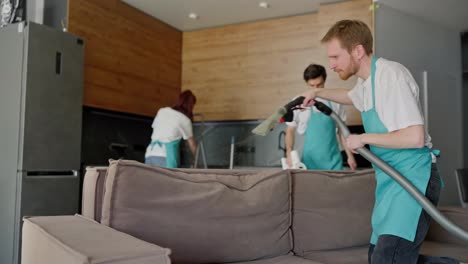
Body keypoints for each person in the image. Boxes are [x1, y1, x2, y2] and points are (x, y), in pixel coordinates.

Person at [301, 20, 459, 264]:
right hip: (389, 181)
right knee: (379, 257)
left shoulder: (390, 76)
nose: (331, 65)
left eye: (335, 57)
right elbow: (349, 97)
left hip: (412, 179)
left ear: (358, 51)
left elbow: (414, 137)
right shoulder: (366, 82)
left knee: (388, 258)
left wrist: (362, 139)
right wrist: (317, 93)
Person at [285, 64, 356, 170]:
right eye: (312, 86)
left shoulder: (335, 100)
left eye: (319, 85)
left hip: (333, 160)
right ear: (307, 83)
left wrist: (350, 156)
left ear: (324, 80)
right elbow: (290, 130)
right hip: (309, 161)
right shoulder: (298, 102)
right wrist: (289, 153)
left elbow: (342, 131)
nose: (315, 89)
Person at [145, 90, 197, 168]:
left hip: (150, 154)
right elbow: (192, 145)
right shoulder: (185, 120)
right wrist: (197, 159)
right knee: (168, 180)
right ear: (190, 106)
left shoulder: (162, 111)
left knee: (148, 180)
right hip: (165, 157)